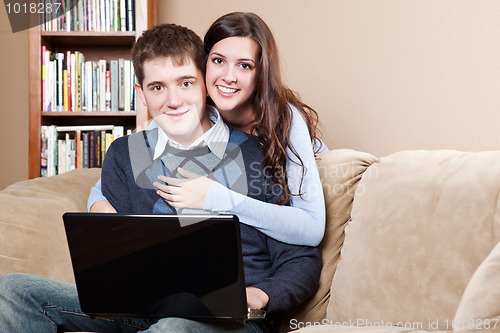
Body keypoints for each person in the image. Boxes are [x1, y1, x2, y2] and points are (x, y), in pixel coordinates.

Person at [0, 23, 321, 333]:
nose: (174, 101)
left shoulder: (258, 154)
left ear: (203, 83)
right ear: (141, 93)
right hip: (144, 309)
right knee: (14, 290)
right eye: (157, 87)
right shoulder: (125, 154)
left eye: (185, 83)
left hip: (232, 319)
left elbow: (301, 261)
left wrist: (259, 295)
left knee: (172, 328)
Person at [88, 12, 328, 247]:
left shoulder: (285, 119)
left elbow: (312, 227)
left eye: (244, 66)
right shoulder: (194, 104)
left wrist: (217, 198)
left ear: (260, 73)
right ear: (202, 68)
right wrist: (96, 201)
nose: (228, 77)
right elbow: (137, 154)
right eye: (218, 61)